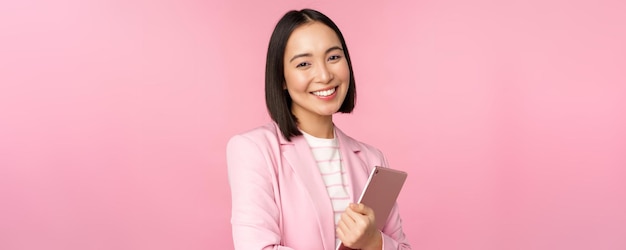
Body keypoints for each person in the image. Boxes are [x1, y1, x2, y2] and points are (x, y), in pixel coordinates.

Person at [226, 8, 411, 250]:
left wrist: (373, 242)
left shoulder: (372, 159)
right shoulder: (253, 150)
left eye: (334, 57)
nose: (324, 75)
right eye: (304, 63)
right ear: (281, 77)